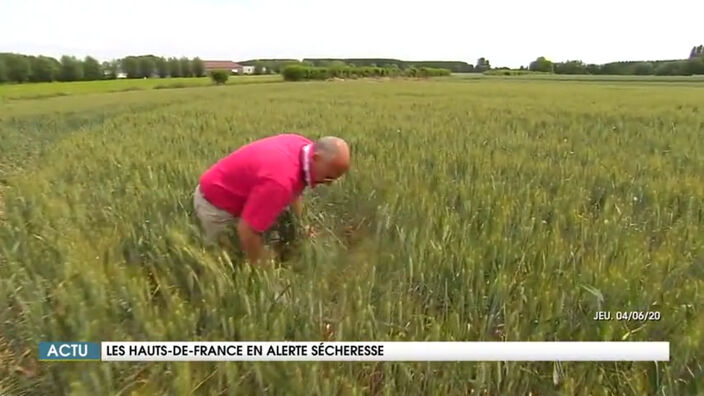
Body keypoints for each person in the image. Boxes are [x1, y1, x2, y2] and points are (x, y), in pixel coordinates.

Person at [193, 133, 350, 265]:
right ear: (316, 158)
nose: (329, 184)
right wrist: (263, 268)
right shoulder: (279, 182)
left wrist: (302, 225)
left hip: (240, 193)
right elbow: (247, 231)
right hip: (215, 205)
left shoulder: (304, 149)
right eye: (328, 177)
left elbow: (296, 189)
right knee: (228, 262)